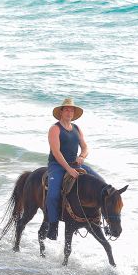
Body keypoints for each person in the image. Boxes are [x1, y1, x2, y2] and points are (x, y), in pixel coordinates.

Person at [46, 97, 102, 240]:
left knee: (102, 185)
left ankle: (100, 220)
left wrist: (82, 156)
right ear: (61, 112)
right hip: (57, 165)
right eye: (67, 109)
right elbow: (56, 152)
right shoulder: (55, 129)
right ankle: (52, 225)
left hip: (76, 164)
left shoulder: (77, 128)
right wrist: (68, 169)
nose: (69, 112)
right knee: (52, 195)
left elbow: (85, 147)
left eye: (72, 110)